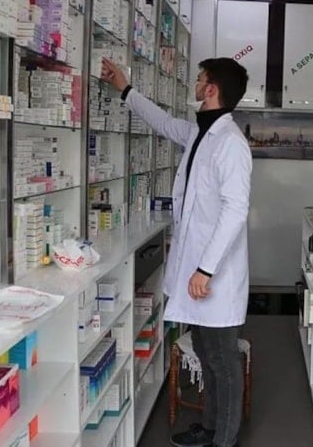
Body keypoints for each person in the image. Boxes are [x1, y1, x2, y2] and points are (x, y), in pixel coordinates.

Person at [100, 57, 251, 447]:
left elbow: (236, 211)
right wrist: (126, 90)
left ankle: (224, 439)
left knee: (223, 361)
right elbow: (163, 123)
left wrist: (206, 269)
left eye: (199, 79)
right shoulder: (201, 132)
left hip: (213, 274)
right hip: (198, 271)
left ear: (211, 89)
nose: (194, 84)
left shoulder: (231, 143)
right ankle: (211, 427)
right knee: (205, 352)